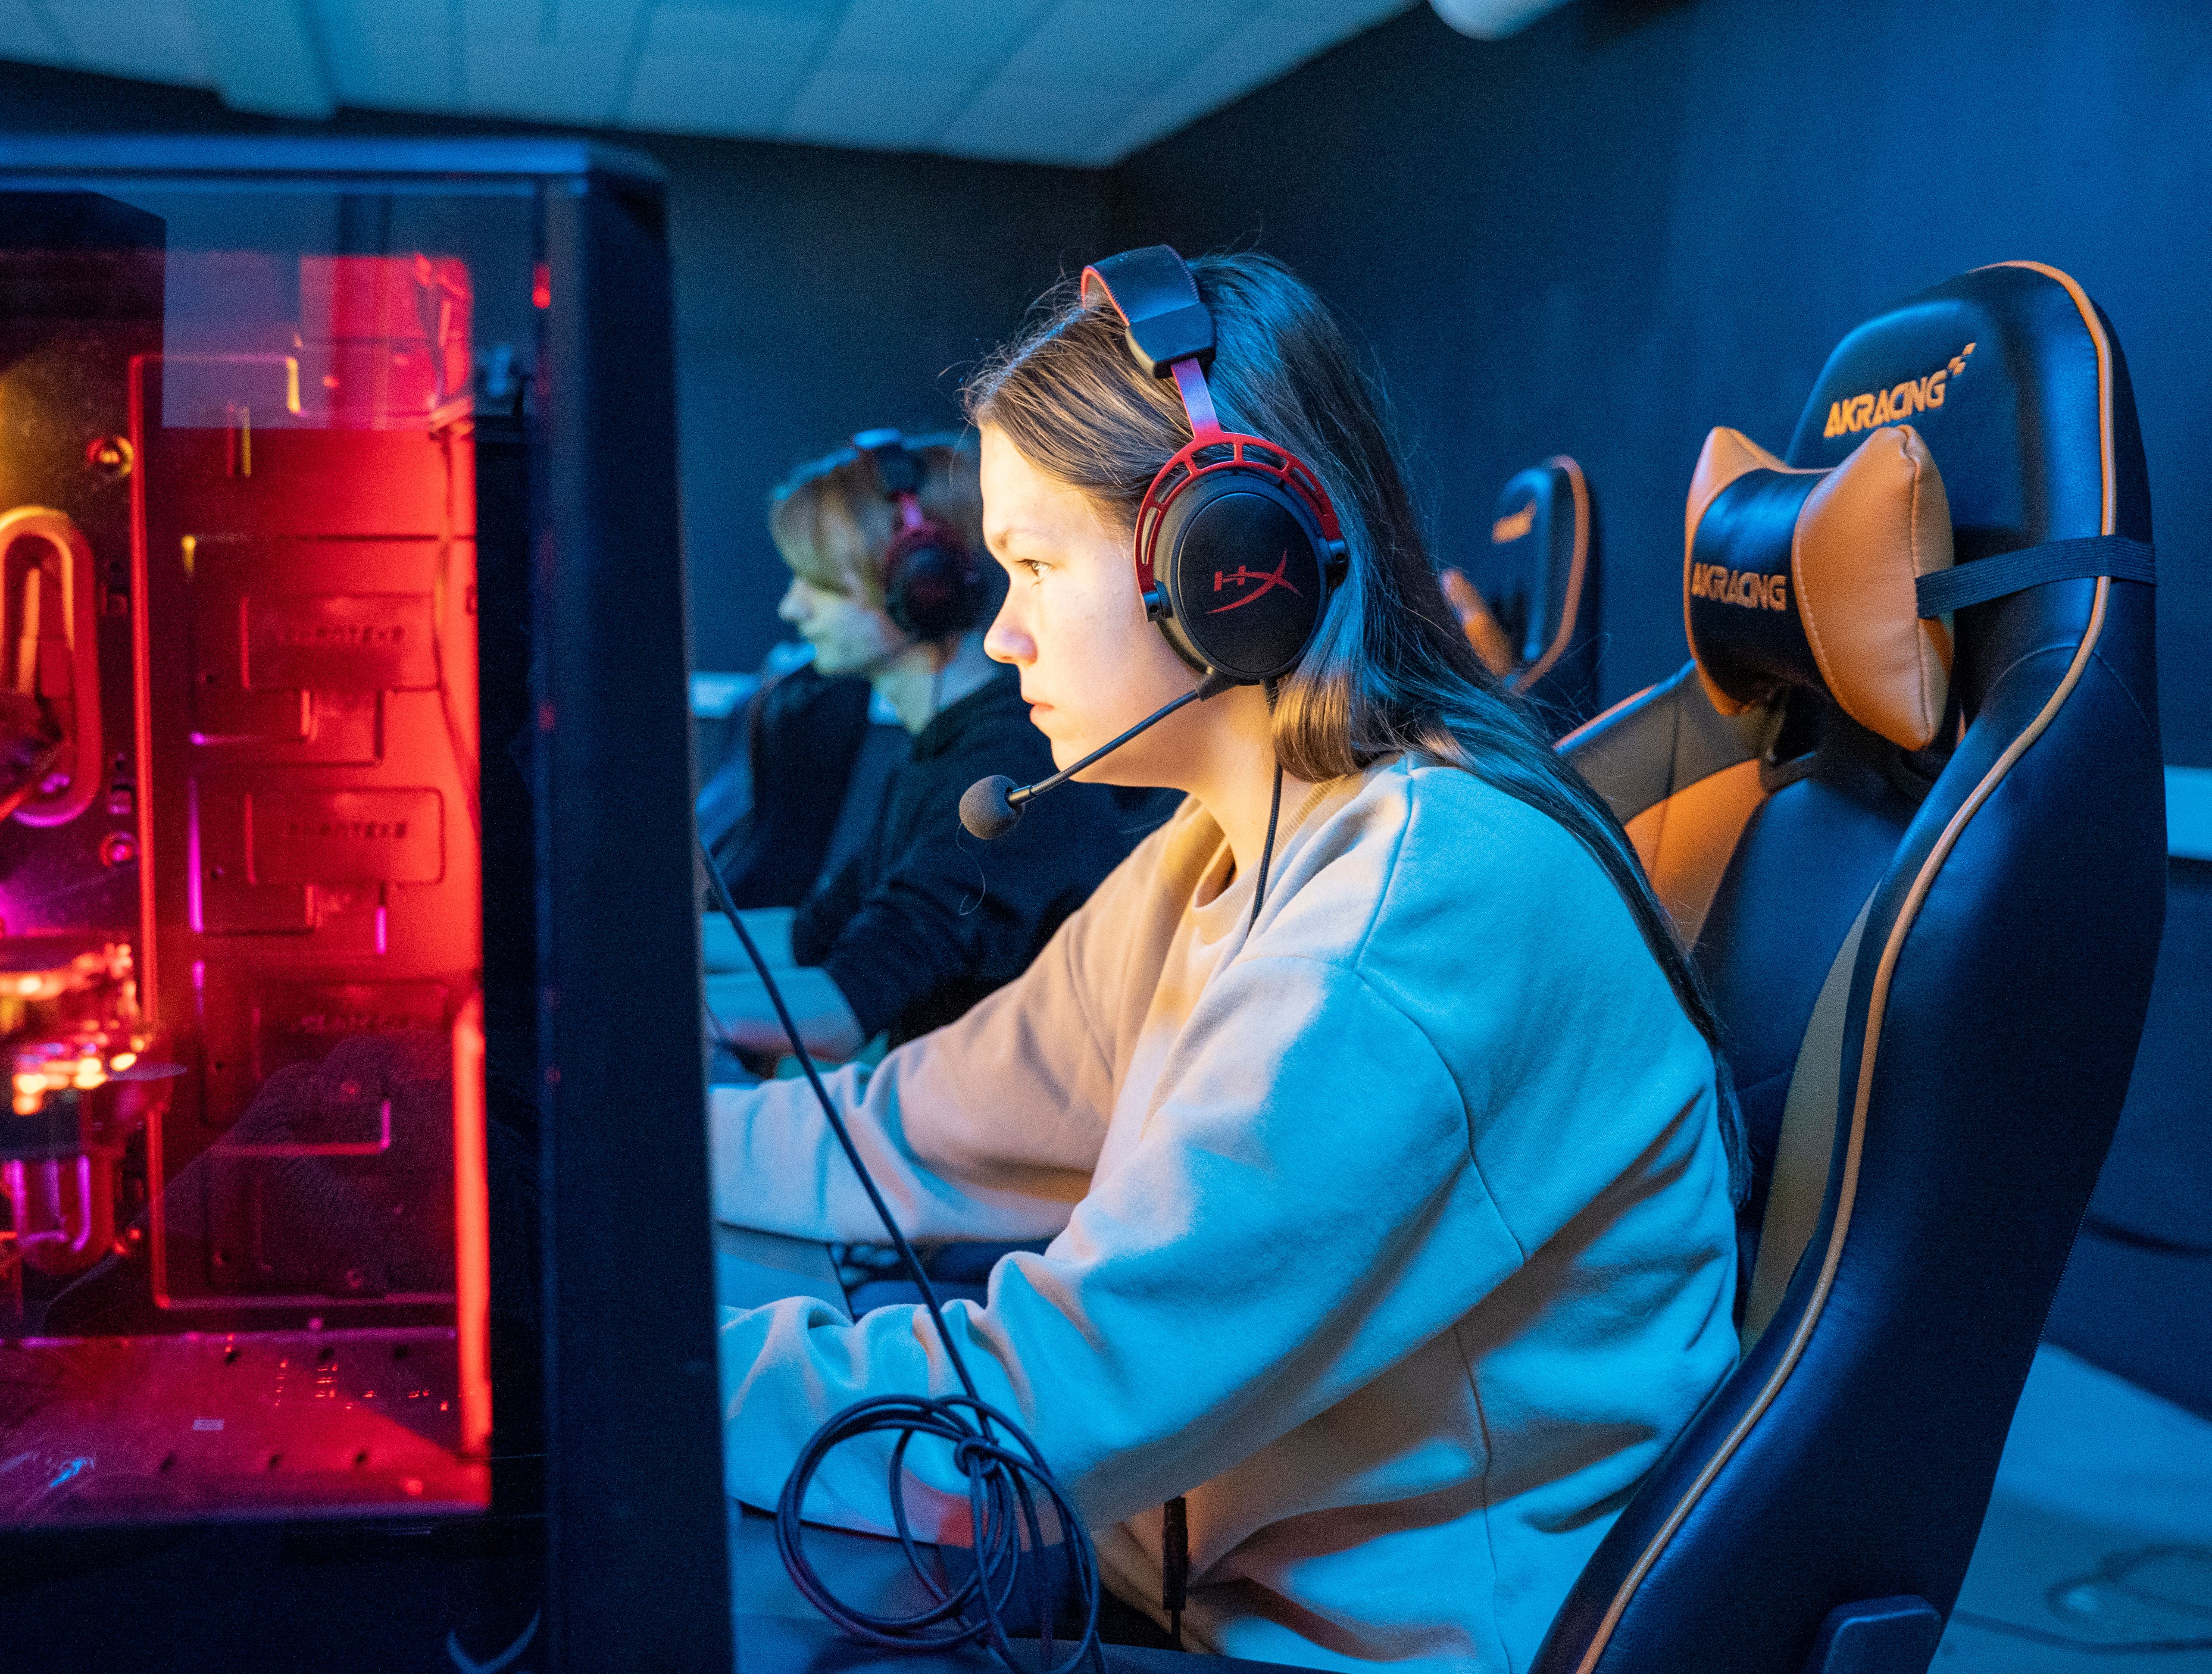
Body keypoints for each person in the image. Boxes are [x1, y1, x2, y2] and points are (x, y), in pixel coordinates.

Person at [708, 253, 1743, 1671]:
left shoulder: (1408, 918)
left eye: (1030, 565)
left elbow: (1034, 1413)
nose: (1000, 633)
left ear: (1223, 561)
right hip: (1179, 1577)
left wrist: (622, 1365)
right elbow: (905, 1128)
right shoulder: (1217, 848)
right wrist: (616, 1161)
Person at [703, 429, 1172, 1062]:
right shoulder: (946, 747)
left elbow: (839, 1009)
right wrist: (638, 944)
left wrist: (640, 1003)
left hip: (992, 1139)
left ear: (921, 587)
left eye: (820, 584)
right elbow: (812, 940)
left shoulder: (1001, 775)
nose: (792, 606)